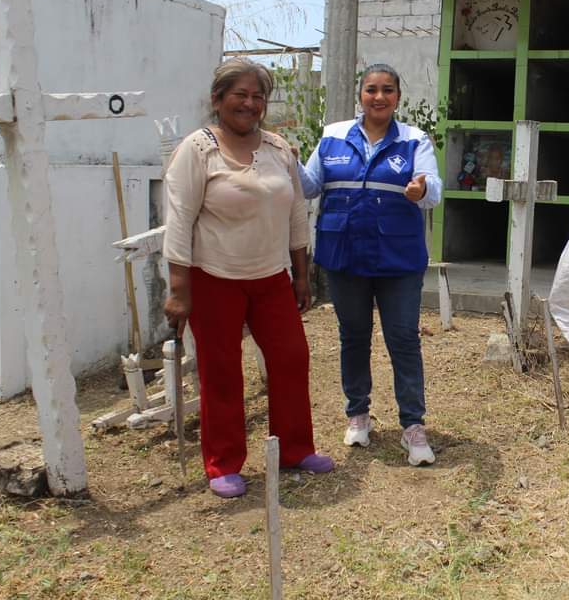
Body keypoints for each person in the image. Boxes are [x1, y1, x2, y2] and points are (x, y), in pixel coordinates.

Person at [163, 57, 333, 499]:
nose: (250, 104)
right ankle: (223, 463)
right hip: (213, 277)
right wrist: (178, 290)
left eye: (258, 96)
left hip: (270, 277)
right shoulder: (197, 150)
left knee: (291, 359)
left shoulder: (278, 149)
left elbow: (296, 215)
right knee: (221, 371)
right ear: (217, 99)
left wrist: (301, 275)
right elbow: (179, 221)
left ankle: (295, 449)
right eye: (240, 94)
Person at [298, 63, 443, 466]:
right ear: (360, 94)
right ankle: (358, 414)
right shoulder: (332, 136)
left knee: (403, 339)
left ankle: (412, 425)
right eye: (371, 89)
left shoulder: (414, 140)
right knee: (353, 336)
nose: (379, 97)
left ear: (398, 97)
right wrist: (289, 161)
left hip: (398, 260)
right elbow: (310, 187)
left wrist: (421, 189)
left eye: (388, 90)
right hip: (345, 256)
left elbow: (433, 190)